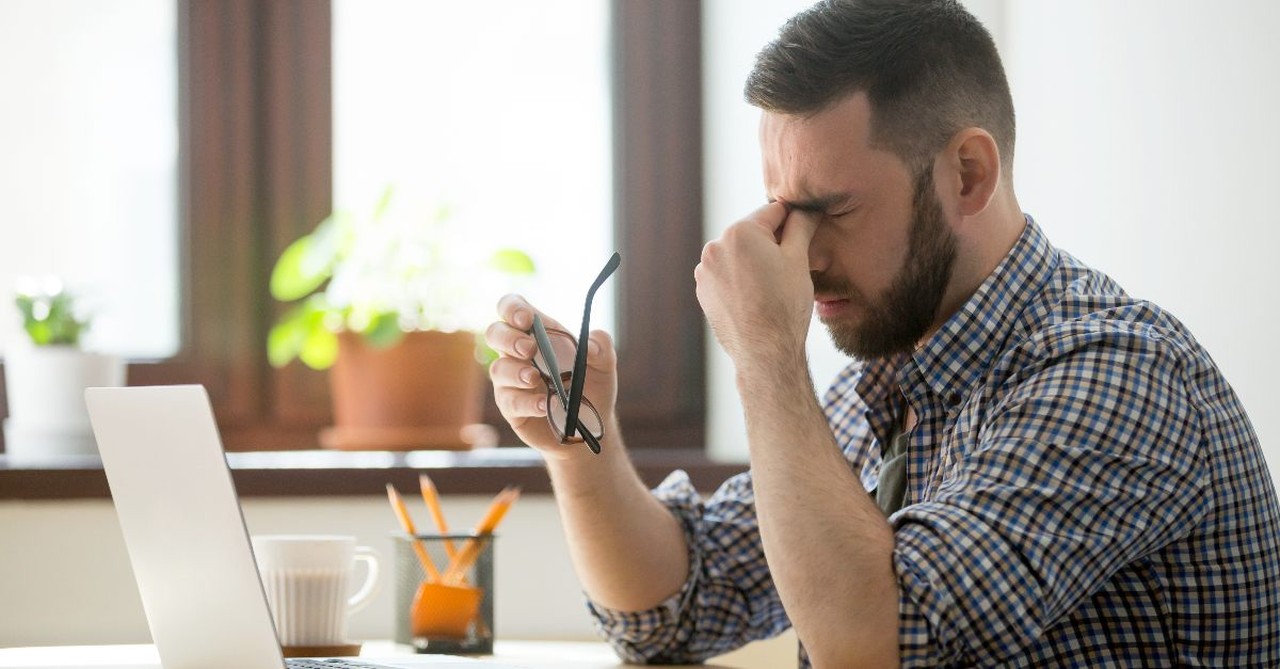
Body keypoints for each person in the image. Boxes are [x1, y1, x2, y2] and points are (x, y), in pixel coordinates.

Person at [484, 0, 1280, 666]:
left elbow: (877, 644)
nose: (800, 255)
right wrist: (576, 447)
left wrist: (766, 352)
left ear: (968, 174)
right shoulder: (885, 380)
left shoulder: (1115, 374)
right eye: (783, 211)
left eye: (830, 209)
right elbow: (675, 605)